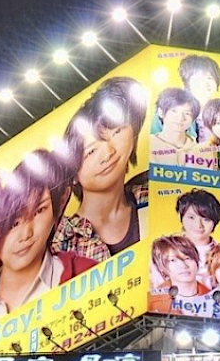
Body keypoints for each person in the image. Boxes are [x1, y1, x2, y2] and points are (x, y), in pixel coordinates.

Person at [0, 153, 95, 334]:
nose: (25, 234)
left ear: (57, 209)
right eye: (14, 223)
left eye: (39, 211)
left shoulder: (87, 275)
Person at [51, 77, 148, 264]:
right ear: (73, 173)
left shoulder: (155, 195)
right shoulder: (60, 243)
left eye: (117, 133)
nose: (108, 154)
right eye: (92, 151)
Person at [150, 234, 209, 305]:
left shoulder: (213, 297)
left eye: (187, 258)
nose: (183, 266)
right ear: (161, 267)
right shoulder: (150, 301)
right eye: (172, 260)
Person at [172, 189, 220, 269]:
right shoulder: (168, 250)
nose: (198, 225)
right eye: (191, 217)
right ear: (180, 217)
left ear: (215, 221)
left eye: (206, 219)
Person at [151, 87, 198, 152]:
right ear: (161, 112)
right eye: (174, 111)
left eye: (187, 113)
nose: (180, 118)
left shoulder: (200, 150)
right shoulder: (147, 145)